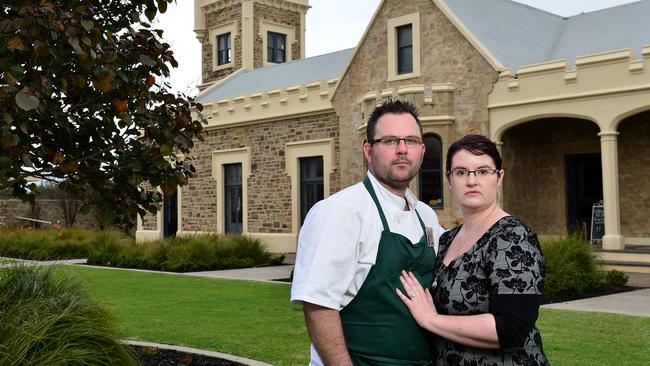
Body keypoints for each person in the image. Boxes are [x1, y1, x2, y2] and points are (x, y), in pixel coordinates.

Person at [291, 99, 445, 366]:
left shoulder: (426, 216)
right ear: (368, 150)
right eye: (389, 141)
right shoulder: (340, 211)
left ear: (422, 150)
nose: (402, 149)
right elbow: (318, 306)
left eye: (410, 140)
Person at [396, 134, 549, 365]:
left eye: (483, 171)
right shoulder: (447, 239)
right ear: (449, 178)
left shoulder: (513, 237)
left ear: (499, 177)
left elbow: (510, 329)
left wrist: (430, 319)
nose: (471, 181)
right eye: (461, 172)